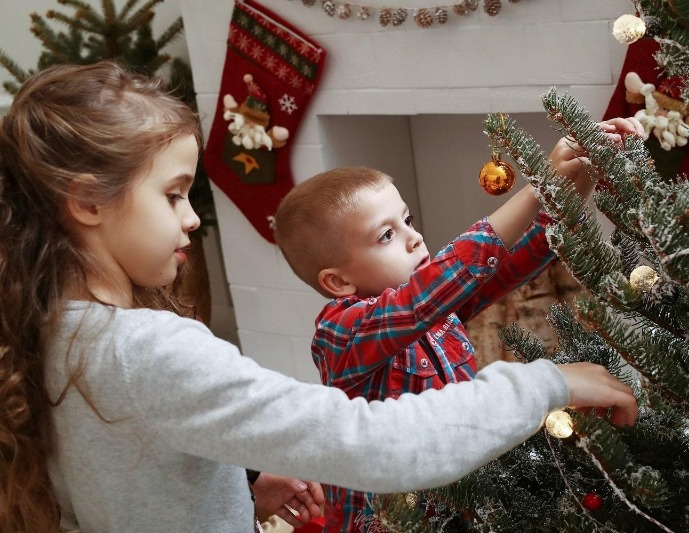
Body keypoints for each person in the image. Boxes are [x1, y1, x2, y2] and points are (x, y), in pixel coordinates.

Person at [0, 60, 638, 533]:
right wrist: (546, 381)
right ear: (86, 201)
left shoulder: (61, 329)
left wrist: (240, 488)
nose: (193, 219)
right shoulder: (160, 348)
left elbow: (130, 487)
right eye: (172, 194)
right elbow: (380, 440)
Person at [274, 115, 643, 532]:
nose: (414, 238)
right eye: (386, 236)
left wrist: (572, 182)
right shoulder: (341, 332)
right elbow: (421, 301)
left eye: (407, 221)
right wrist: (538, 186)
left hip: (457, 505)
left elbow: (512, 263)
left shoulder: (434, 310)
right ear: (338, 281)